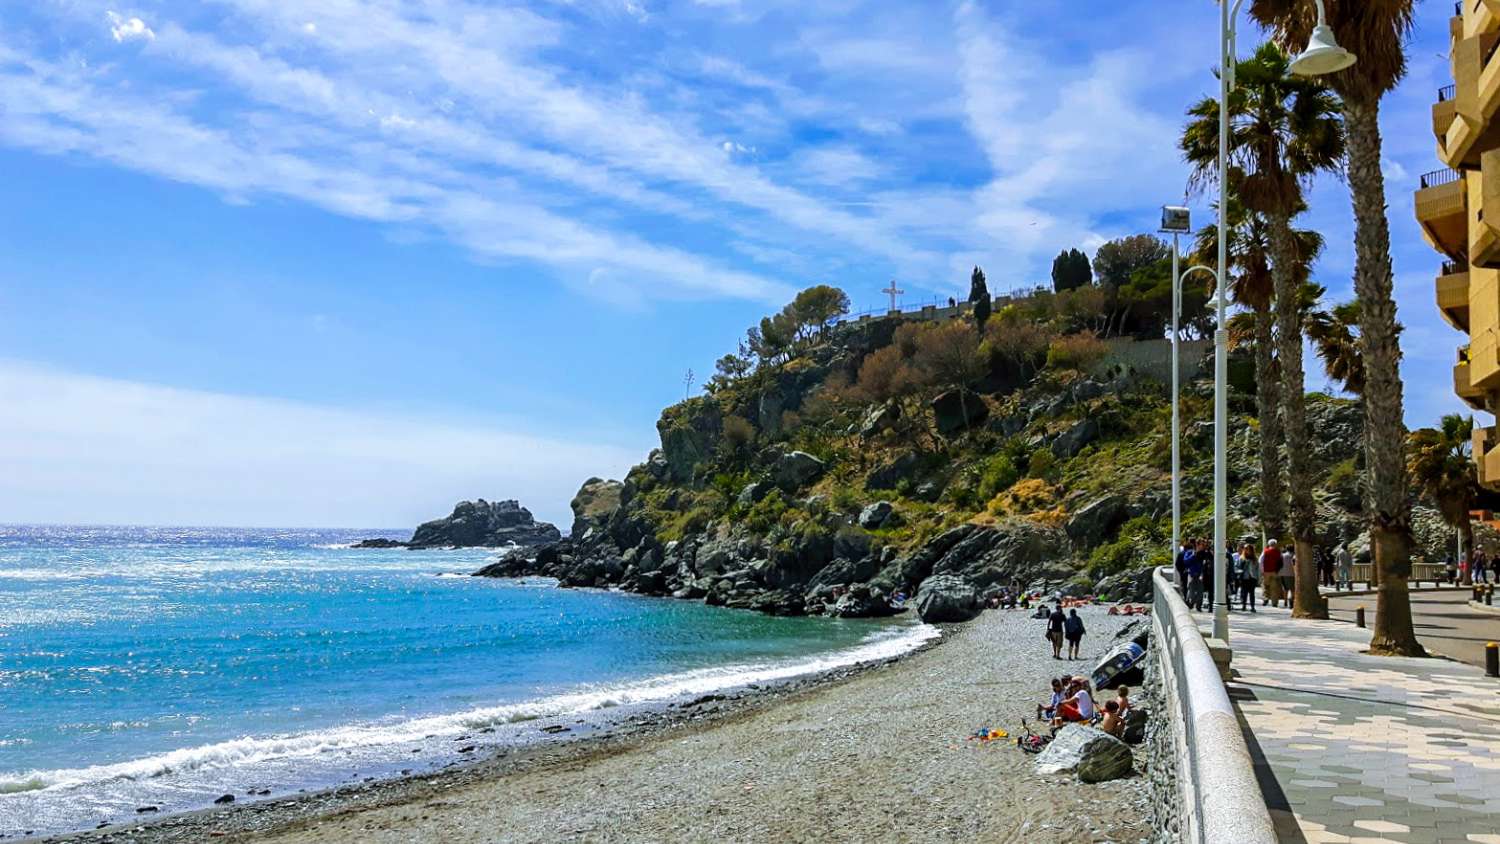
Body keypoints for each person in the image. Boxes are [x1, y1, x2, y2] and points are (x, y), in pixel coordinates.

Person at [1235, 542, 1259, 612]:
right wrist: (1240, 571)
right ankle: (1244, 605)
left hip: (1252, 578)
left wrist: (1258, 578)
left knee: (1252, 593)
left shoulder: (1255, 559)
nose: (1247, 551)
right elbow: (1236, 567)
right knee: (1244, 592)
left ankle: (1252, 606)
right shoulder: (1241, 558)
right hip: (1244, 578)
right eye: (1246, 549)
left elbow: (1257, 569)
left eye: (1248, 549)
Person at [1260, 539, 1284, 608]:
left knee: (1265, 586)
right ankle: (1274, 602)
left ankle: (1265, 599)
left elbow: (1261, 561)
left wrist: (1262, 571)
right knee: (1274, 588)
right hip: (1275, 572)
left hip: (1266, 571)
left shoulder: (1265, 551)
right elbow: (1281, 562)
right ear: (1275, 544)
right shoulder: (1278, 552)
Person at [1184, 540, 1205, 612]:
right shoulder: (1190, 552)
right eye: (1201, 545)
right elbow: (1186, 561)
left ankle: (1199, 606)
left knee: (1200, 592)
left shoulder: (1204, 554)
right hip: (1191, 574)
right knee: (1191, 591)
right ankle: (1190, 603)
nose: (1202, 547)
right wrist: (1194, 554)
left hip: (1200, 575)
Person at [1280, 544, 1296, 610]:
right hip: (1292, 574)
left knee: (1285, 588)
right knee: (1293, 589)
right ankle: (1291, 601)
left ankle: (1285, 601)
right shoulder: (1295, 556)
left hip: (1283, 574)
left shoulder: (1282, 556)